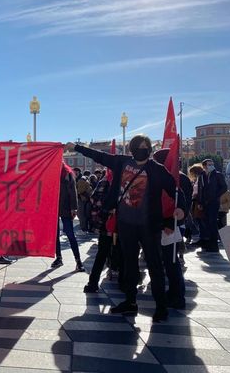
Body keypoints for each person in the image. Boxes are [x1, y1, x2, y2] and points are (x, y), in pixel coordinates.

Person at [66, 135, 184, 322]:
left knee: (154, 265)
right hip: (126, 224)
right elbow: (98, 156)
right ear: (132, 149)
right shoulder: (121, 163)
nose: (143, 149)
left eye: (146, 146)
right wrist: (77, 147)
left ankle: (161, 306)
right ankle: (130, 302)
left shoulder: (157, 169)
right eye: (139, 146)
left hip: (149, 225)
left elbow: (175, 191)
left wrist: (181, 209)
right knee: (129, 264)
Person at [153, 148, 188, 309]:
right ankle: (173, 292)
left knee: (172, 263)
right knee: (167, 262)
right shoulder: (165, 176)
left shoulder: (179, 178)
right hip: (162, 225)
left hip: (171, 226)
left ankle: (178, 295)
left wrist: (169, 221)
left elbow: (182, 203)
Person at [84, 173, 119, 292]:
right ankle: (124, 281)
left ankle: (93, 282)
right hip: (120, 223)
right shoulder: (126, 178)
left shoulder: (105, 180)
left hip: (106, 223)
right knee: (124, 253)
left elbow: (94, 198)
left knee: (102, 253)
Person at [51, 162, 85, 272]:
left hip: (65, 207)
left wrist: (74, 208)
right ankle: (59, 258)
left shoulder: (67, 173)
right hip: (54, 207)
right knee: (55, 235)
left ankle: (78, 260)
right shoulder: (51, 173)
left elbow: (73, 191)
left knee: (70, 234)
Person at [197, 159, 227, 252]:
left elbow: (224, 187)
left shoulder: (218, 175)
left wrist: (216, 196)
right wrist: (200, 202)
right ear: (204, 166)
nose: (211, 165)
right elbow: (200, 189)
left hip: (214, 203)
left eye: (212, 164)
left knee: (212, 223)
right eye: (209, 164)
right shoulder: (202, 175)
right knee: (206, 223)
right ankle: (208, 244)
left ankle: (214, 246)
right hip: (204, 203)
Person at [73, 168, 92, 233]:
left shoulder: (81, 179)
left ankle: (83, 229)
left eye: (74, 172)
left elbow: (80, 191)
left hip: (82, 199)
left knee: (81, 214)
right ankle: (85, 228)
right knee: (83, 214)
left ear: (77, 172)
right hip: (84, 198)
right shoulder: (82, 178)